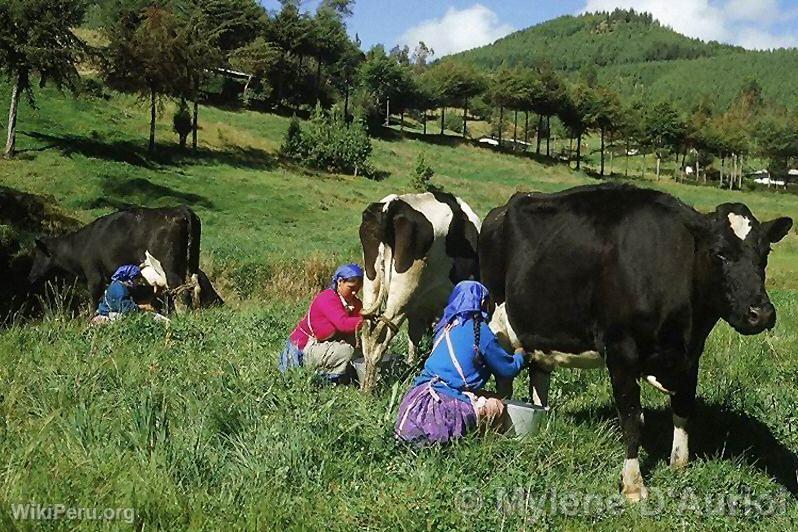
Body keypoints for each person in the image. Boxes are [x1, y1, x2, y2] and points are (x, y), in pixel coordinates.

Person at [395, 281, 528, 445]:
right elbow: (507, 370)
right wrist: (520, 355)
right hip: (443, 410)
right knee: (496, 404)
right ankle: (484, 445)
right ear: (483, 303)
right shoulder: (480, 331)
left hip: (416, 402)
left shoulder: (445, 327)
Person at [280, 263, 364, 384]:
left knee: (360, 347)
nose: (354, 292)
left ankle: (351, 374)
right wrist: (366, 320)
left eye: (358, 288)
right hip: (305, 348)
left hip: (324, 345)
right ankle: (324, 379)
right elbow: (343, 324)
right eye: (351, 288)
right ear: (340, 282)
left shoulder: (354, 303)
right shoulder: (327, 299)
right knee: (346, 351)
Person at [91, 264, 166, 325]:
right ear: (130, 278)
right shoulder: (119, 290)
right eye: (137, 279)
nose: (138, 282)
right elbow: (127, 309)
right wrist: (144, 307)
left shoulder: (117, 285)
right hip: (109, 315)